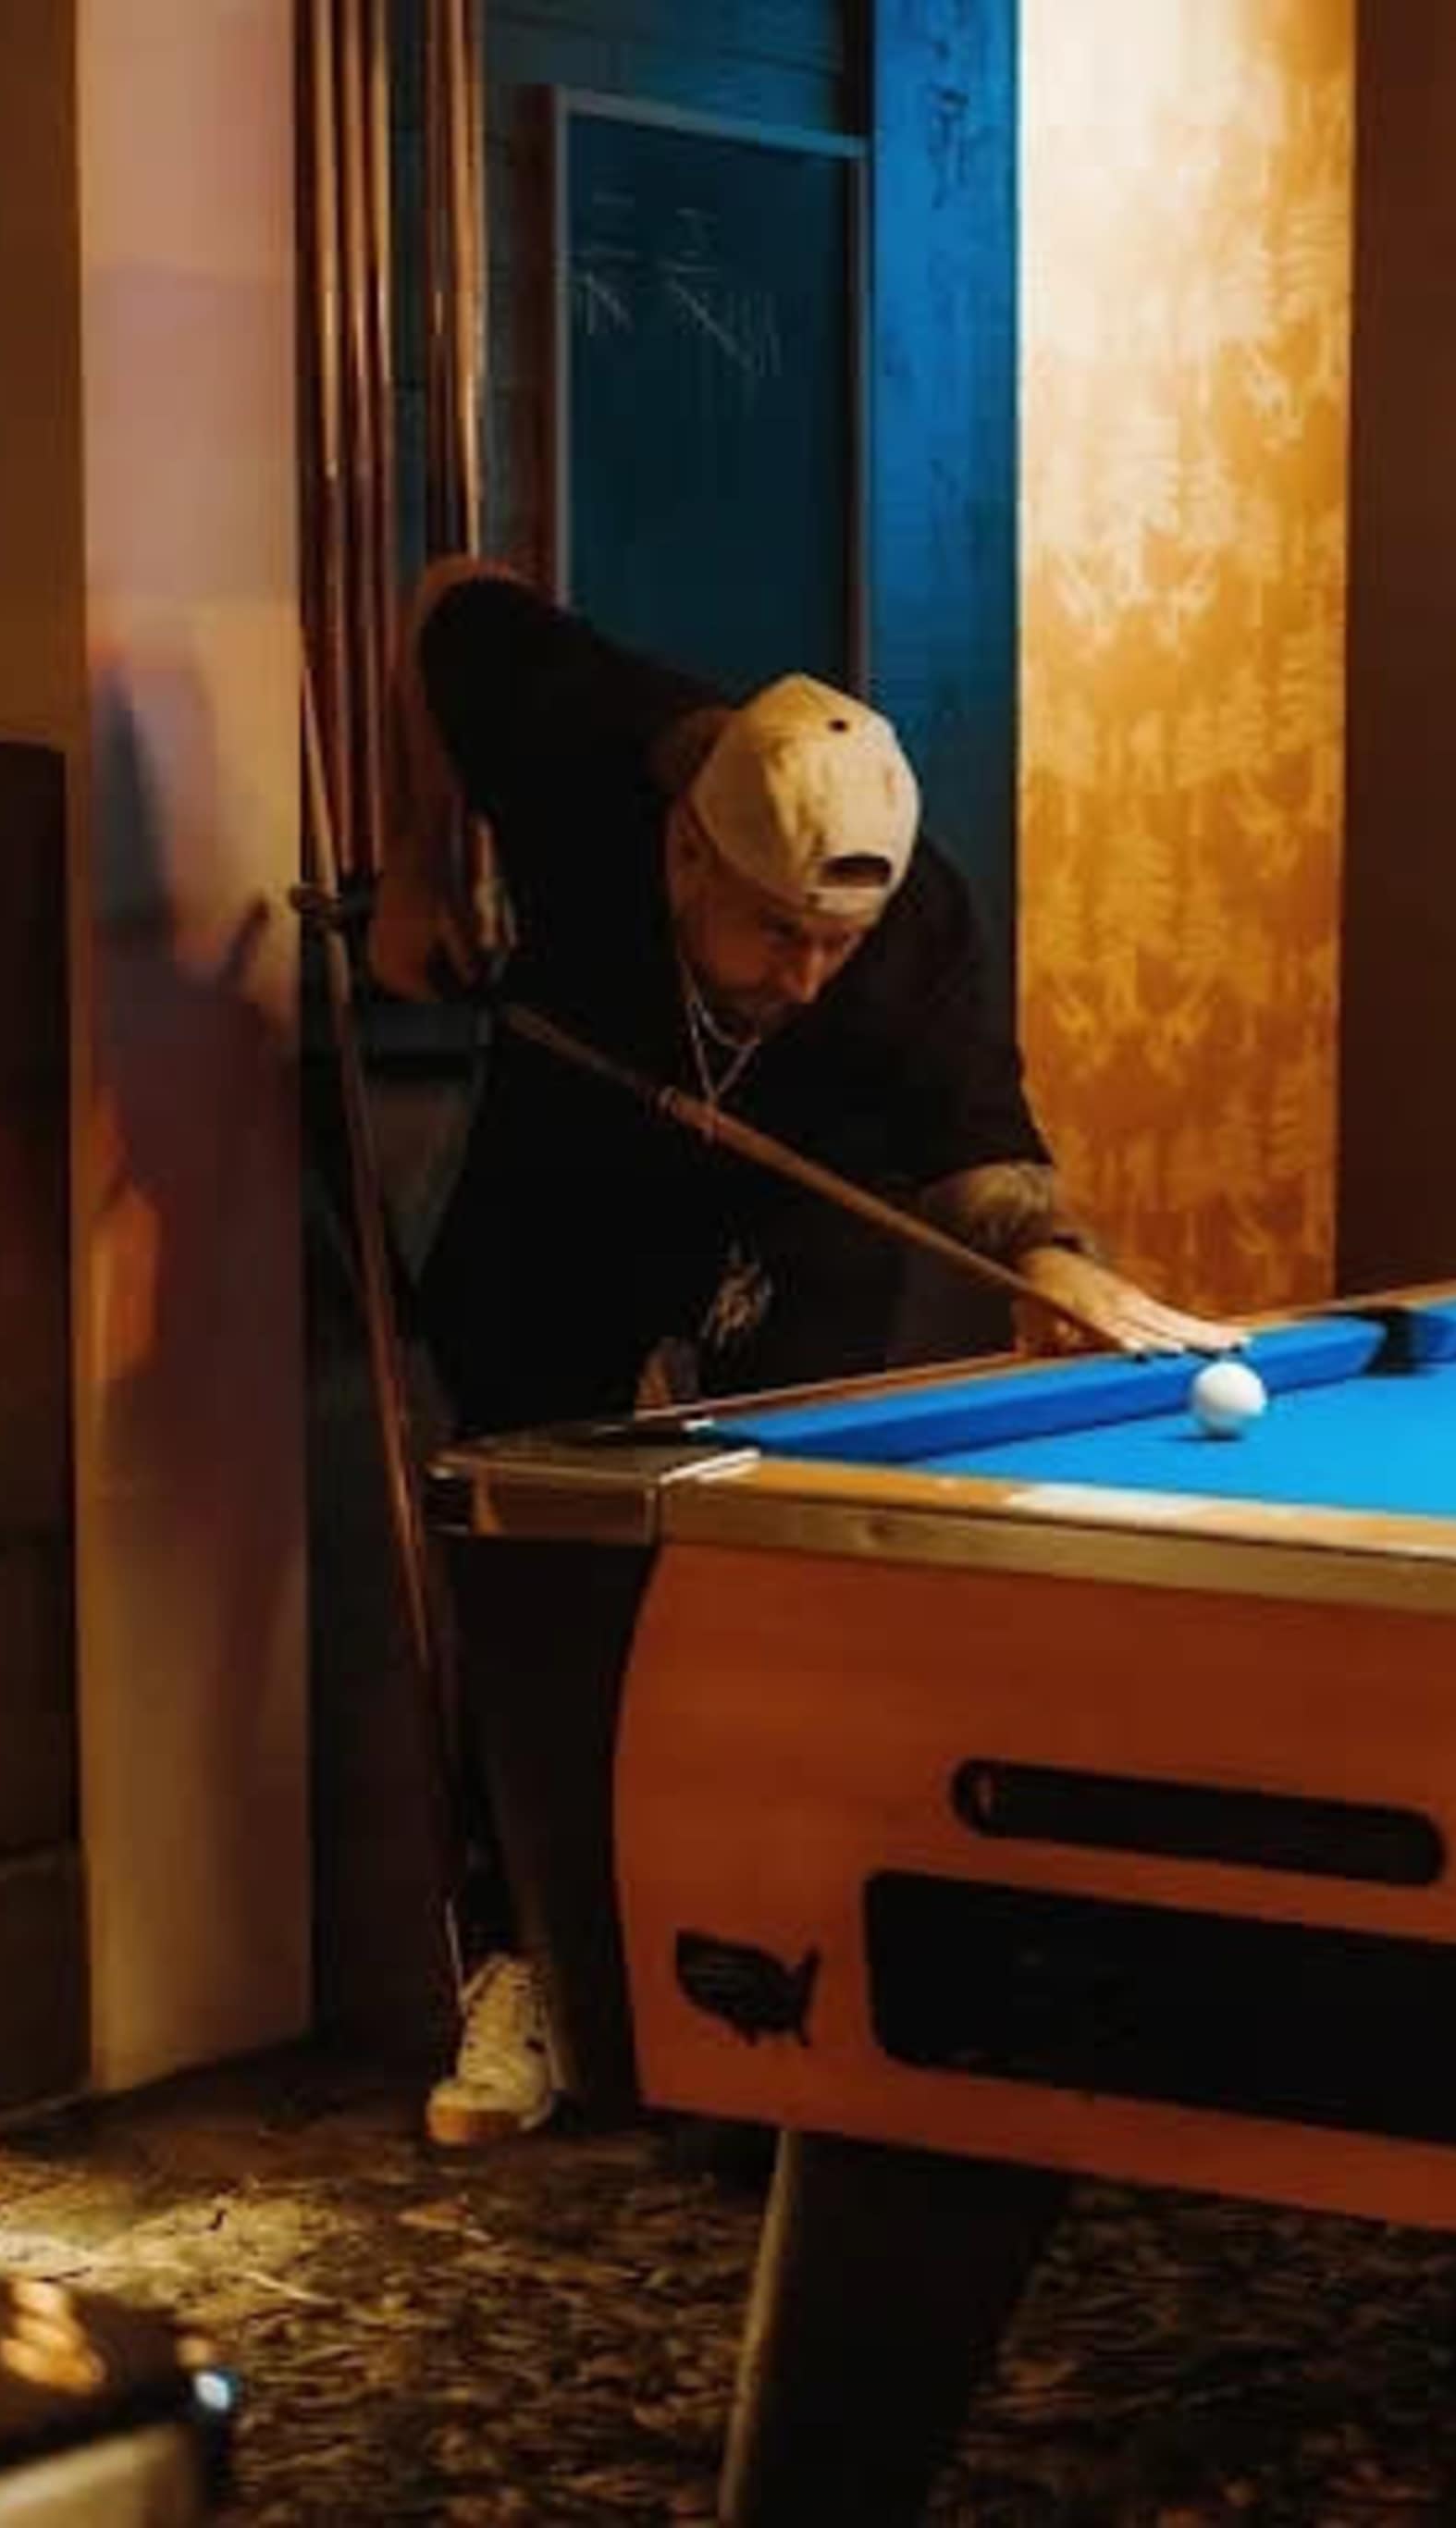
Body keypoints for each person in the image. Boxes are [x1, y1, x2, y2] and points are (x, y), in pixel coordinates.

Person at [372, 559, 1240, 2142]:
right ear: (686, 852)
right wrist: (419, 866)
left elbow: (977, 1136)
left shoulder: (917, 921)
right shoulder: (587, 745)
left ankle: (770, 1980)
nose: (809, 975)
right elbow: (448, 607)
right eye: (776, 933)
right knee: (531, 1567)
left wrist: (1060, 1265)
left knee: (779, 1564)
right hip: (571, 1164)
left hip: (797, 1205)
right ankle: (526, 1962)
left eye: (839, 941)